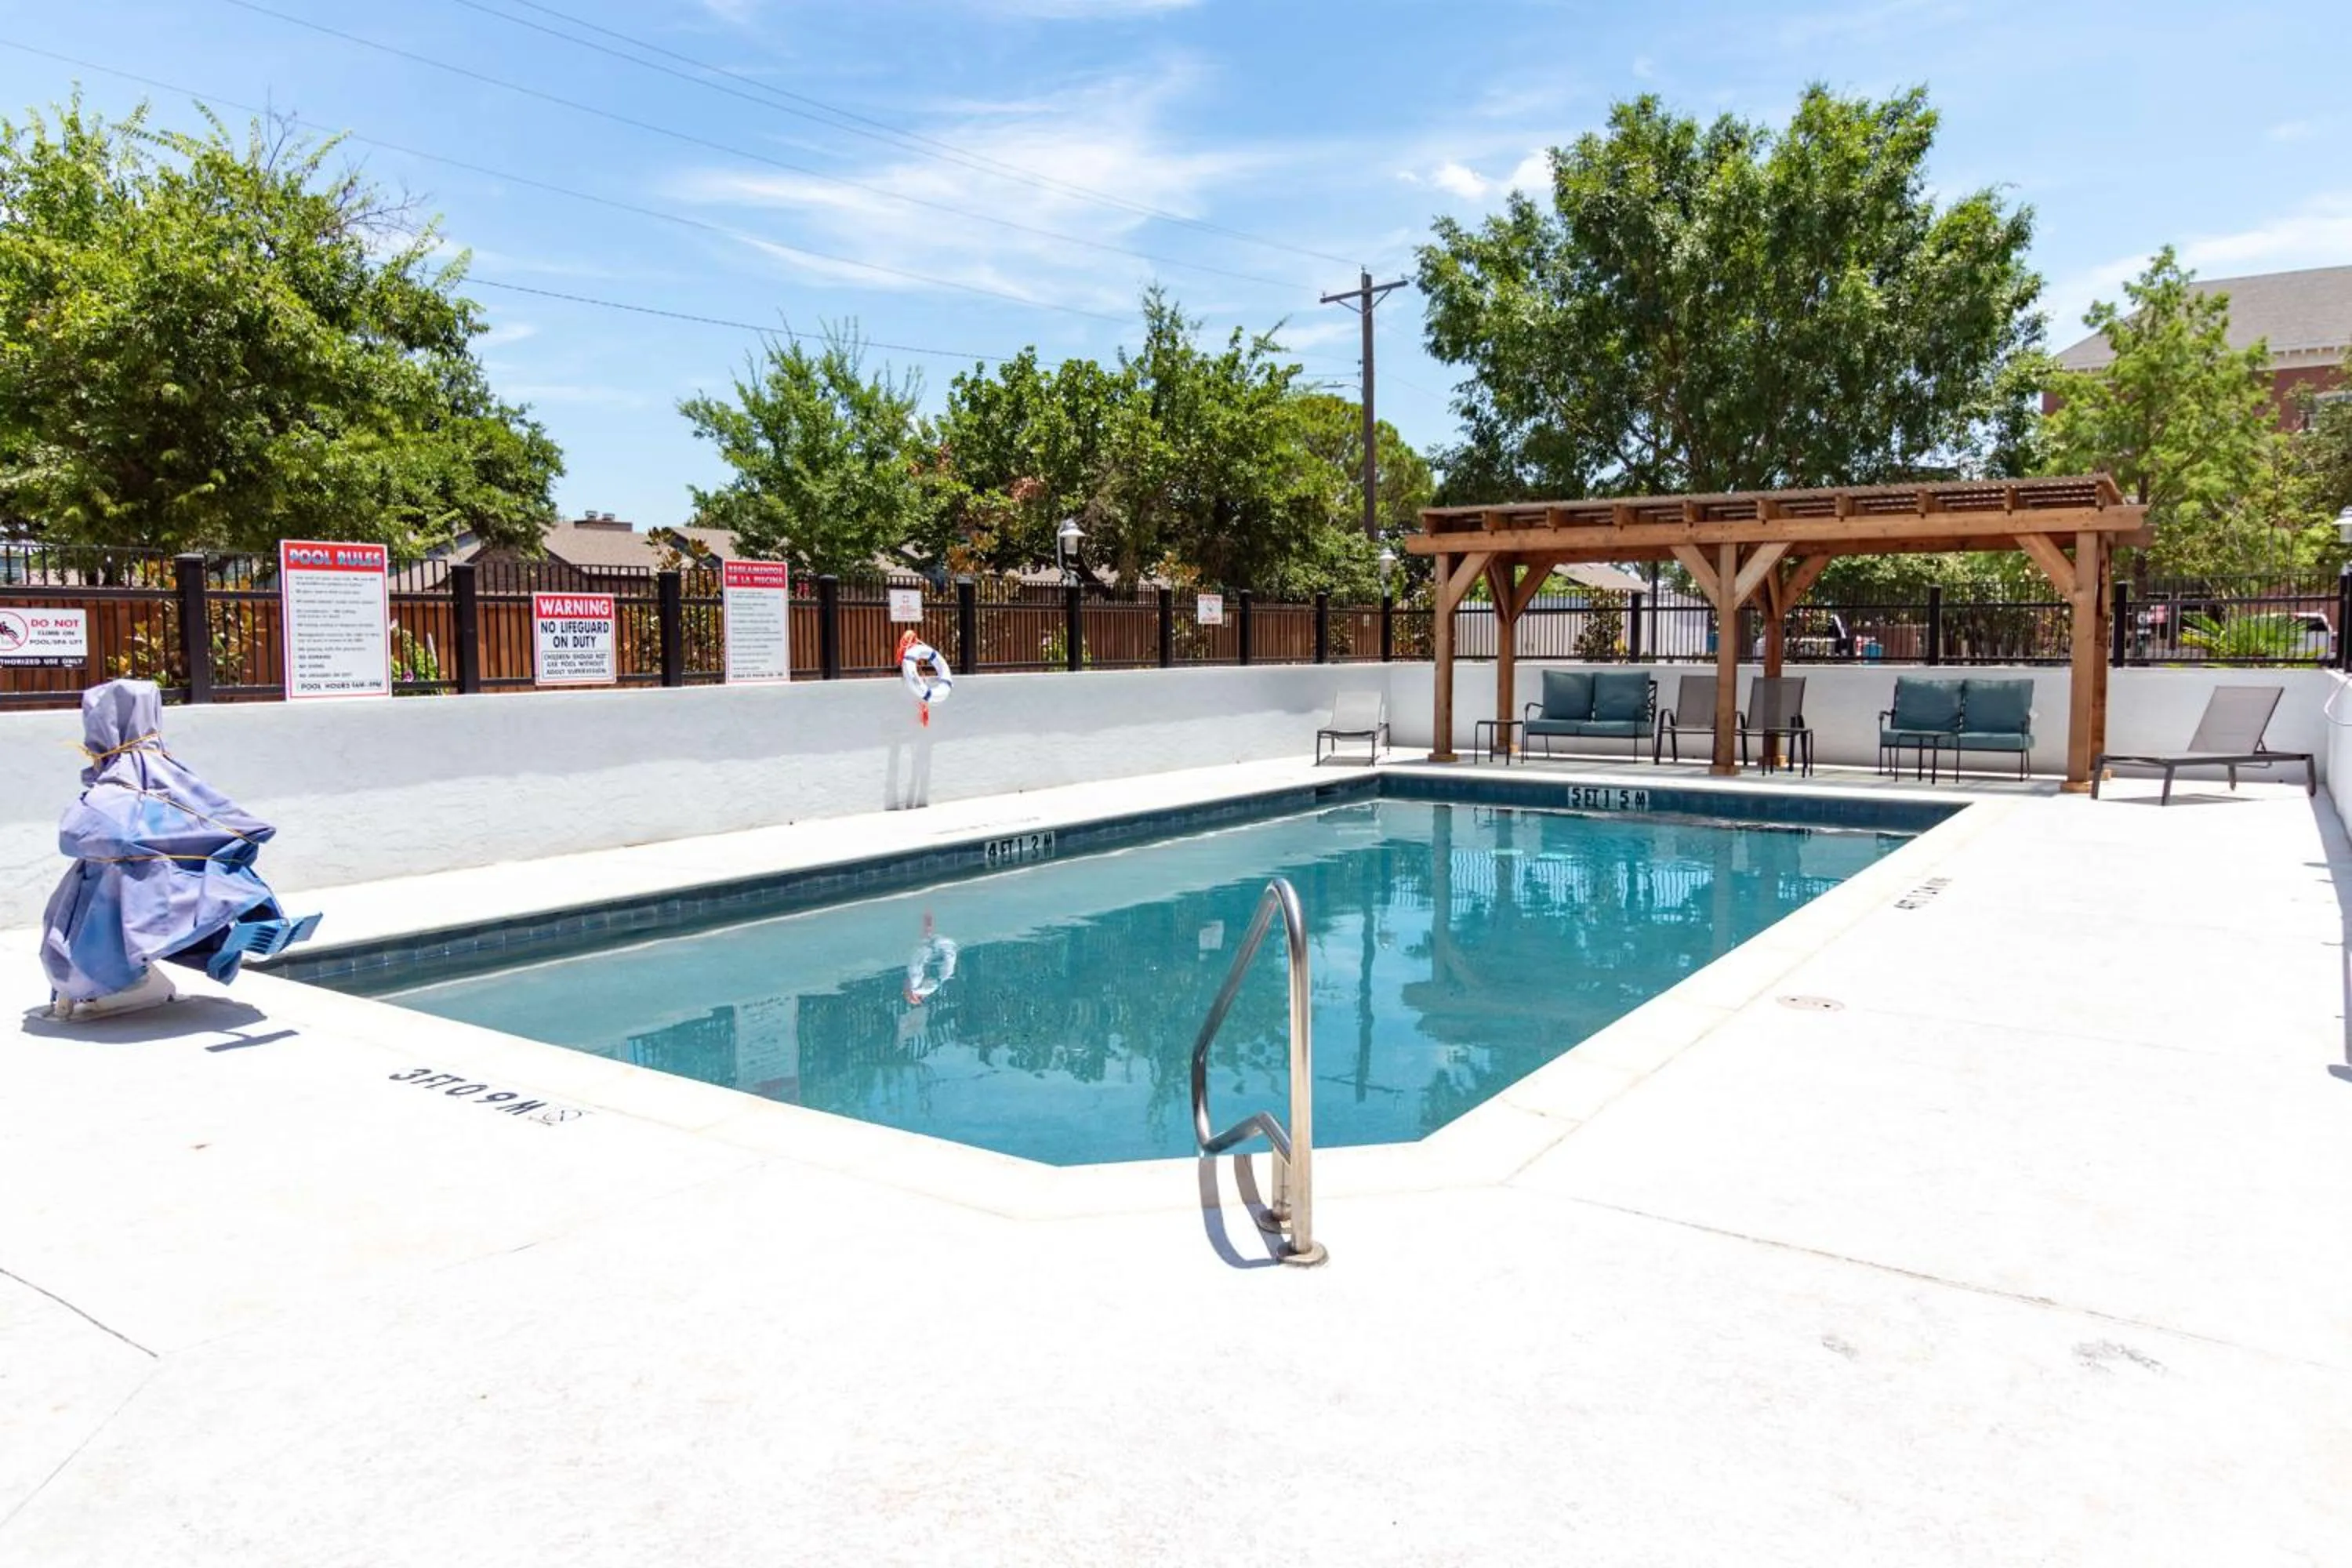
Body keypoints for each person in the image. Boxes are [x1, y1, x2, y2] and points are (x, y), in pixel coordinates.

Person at [41, 680, 318, 1018]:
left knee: (210, 872)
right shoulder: (157, 774)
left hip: (134, 891)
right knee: (208, 875)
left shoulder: (126, 779)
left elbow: (81, 829)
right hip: (124, 891)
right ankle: (227, 935)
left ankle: (229, 935)